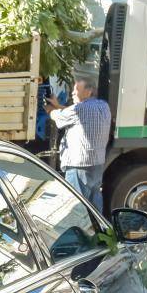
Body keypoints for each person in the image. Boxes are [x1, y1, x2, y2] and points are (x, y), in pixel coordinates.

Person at [46, 79, 112, 207]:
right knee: (94, 206)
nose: (72, 93)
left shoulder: (79, 110)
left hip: (79, 167)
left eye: (76, 90)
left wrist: (50, 109)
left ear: (89, 92)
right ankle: (98, 227)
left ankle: (78, 228)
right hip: (97, 165)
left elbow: (59, 117)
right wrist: (58, 105)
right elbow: (76, 112)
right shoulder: (104, 106)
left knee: (75, 207)